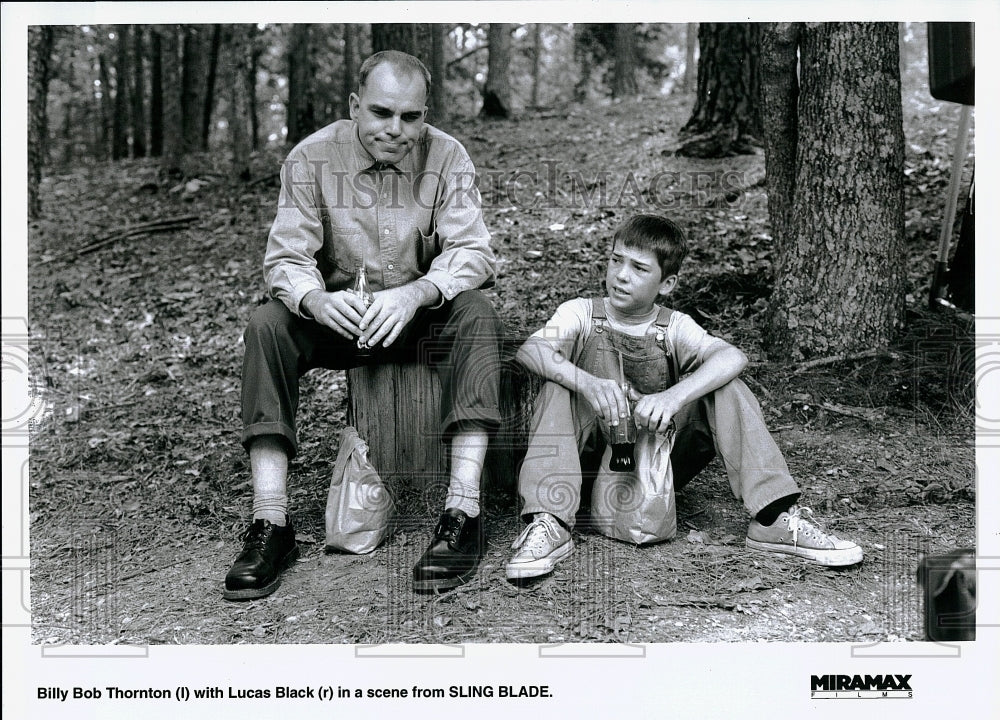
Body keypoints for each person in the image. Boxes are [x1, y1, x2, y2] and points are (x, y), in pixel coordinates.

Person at [224, 51, 503, 600]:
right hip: (339, 320)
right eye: (380, 113)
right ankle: (270, 522)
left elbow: (474, 252)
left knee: (475, 312)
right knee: (266, 325)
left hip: (418, 319)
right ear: (355, 106)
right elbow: (285, 257)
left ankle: (463, 514)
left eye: (411, 117)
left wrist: (417, 292)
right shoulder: (310, 158)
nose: (395, 130)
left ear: (425, 115)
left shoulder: (447, 157)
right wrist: (315, 300)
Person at [508, 214, 863, 579]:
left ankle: (772, 517)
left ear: (667, 283)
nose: (621, 275)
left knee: (726, 386)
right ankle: (549, 521)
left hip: (657, 468)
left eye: (639, 268)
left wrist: (673, 398)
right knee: (556, 382)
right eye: (616, 260)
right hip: (586, 464)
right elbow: (531, 350)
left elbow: (732, 357)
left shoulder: (674, 326)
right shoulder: (580, 313)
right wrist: (589, 384)